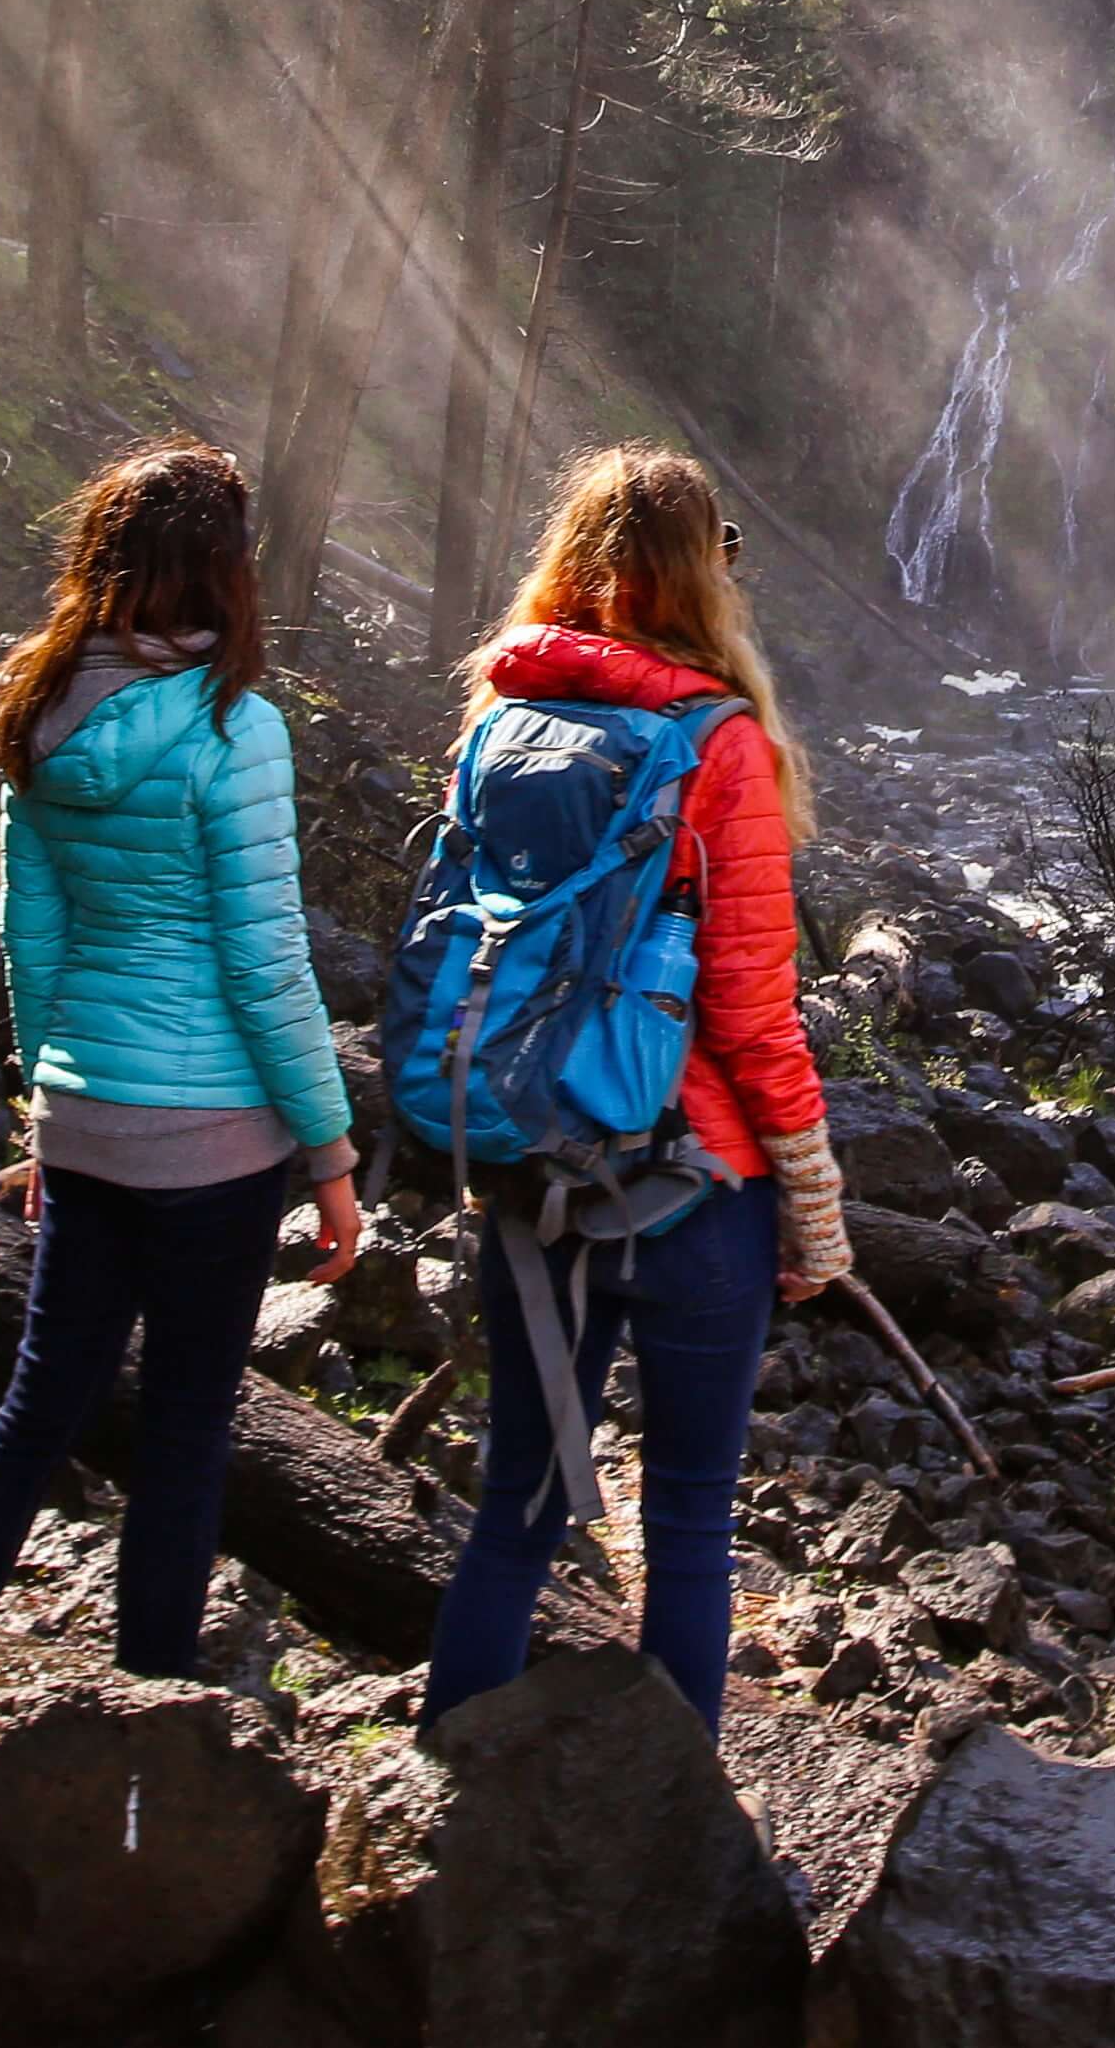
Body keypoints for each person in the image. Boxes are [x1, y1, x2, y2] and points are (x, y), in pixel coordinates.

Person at [420, 446, 849, 1731]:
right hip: (688, 1178)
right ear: (708, 574)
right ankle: (679, 1856)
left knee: (516, 1504)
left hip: (526, 1149)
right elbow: (748, 1009)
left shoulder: (502, 715)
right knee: (691, 1516)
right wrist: (814, 1191)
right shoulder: (720, 742)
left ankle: (441, 1796)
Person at [0, 433, 360, 1677]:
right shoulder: (235, 724)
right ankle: (154, 1707)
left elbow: (33, 941)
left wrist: (47, 1110)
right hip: (216, 1135)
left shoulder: (39, 707)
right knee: (183, 1433)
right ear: (225, 573)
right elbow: (266, 962)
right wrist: (329, 1152)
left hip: (87, 1110)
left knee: (40, 1397)